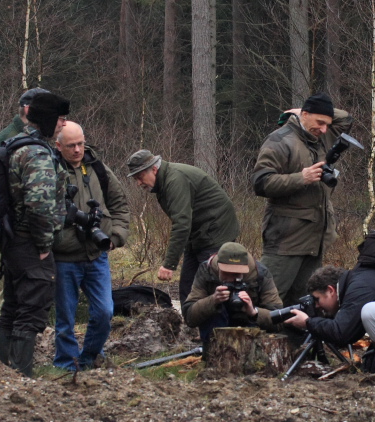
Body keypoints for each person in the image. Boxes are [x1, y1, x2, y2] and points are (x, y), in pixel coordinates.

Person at [251, 93, 353, 306]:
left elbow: (345, 118)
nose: (324, 129)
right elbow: (261, 183)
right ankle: (256, 339)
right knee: (268, 298)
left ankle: (294, 340)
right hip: (286, 239)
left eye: (327, 124)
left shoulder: (320, 136)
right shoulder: (279, 140)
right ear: (304, 115)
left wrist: (315, 110)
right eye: (319, 122)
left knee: (305, 303)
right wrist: (301, 178)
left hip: (315, 239)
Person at [0, 92, 70, 377]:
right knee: (31, 311)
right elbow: (39, 204)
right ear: (49, 119)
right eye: (61, 118)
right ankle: (21, 378)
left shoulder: (16, 144)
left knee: (11, 308)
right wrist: (44, 244)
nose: (63, 124)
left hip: (13, 242)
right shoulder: (36, 152)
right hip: (29, 243)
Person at [52, 121, 130, 371]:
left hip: (97, 254)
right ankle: (66, 364)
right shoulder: (49, 169)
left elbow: (119, 204)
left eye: (81, 143)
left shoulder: (98, 169)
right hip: (64, 257)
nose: (77, 150)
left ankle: (89, 357)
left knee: (105, 312)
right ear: (58, 145)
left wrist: (116, 236)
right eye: (71, 145)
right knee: (66, 317)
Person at [0, 87, 50, 359]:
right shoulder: (13, 139)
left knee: (16, 300)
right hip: (14, 233)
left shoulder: (19, 137)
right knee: (9, 301)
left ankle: (7, 358)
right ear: (27, 110)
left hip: (13, 230)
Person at [126, 150, 240, 303]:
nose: (139, 183)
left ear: (153, 169)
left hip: (216, 232)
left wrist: (169, 265)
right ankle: (191, 325)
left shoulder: (175, 180)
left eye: (140, 177)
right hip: (198, 235)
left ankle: (221, 325)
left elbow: (182, 224)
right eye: (136, 179)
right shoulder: (163, 182)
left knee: (213, 289)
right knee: (188, 288)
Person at [182, 242, 283, 348]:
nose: (231, 279)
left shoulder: (260, 274)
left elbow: (279, 321)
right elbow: (189, 317)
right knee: (213, 313)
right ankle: (213, 352)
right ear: (218, 267)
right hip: (215, 330)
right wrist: (213, 301)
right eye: (226, 273)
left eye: (236, 274)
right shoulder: (207, 271)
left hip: (249, 331)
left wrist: (254, 312)